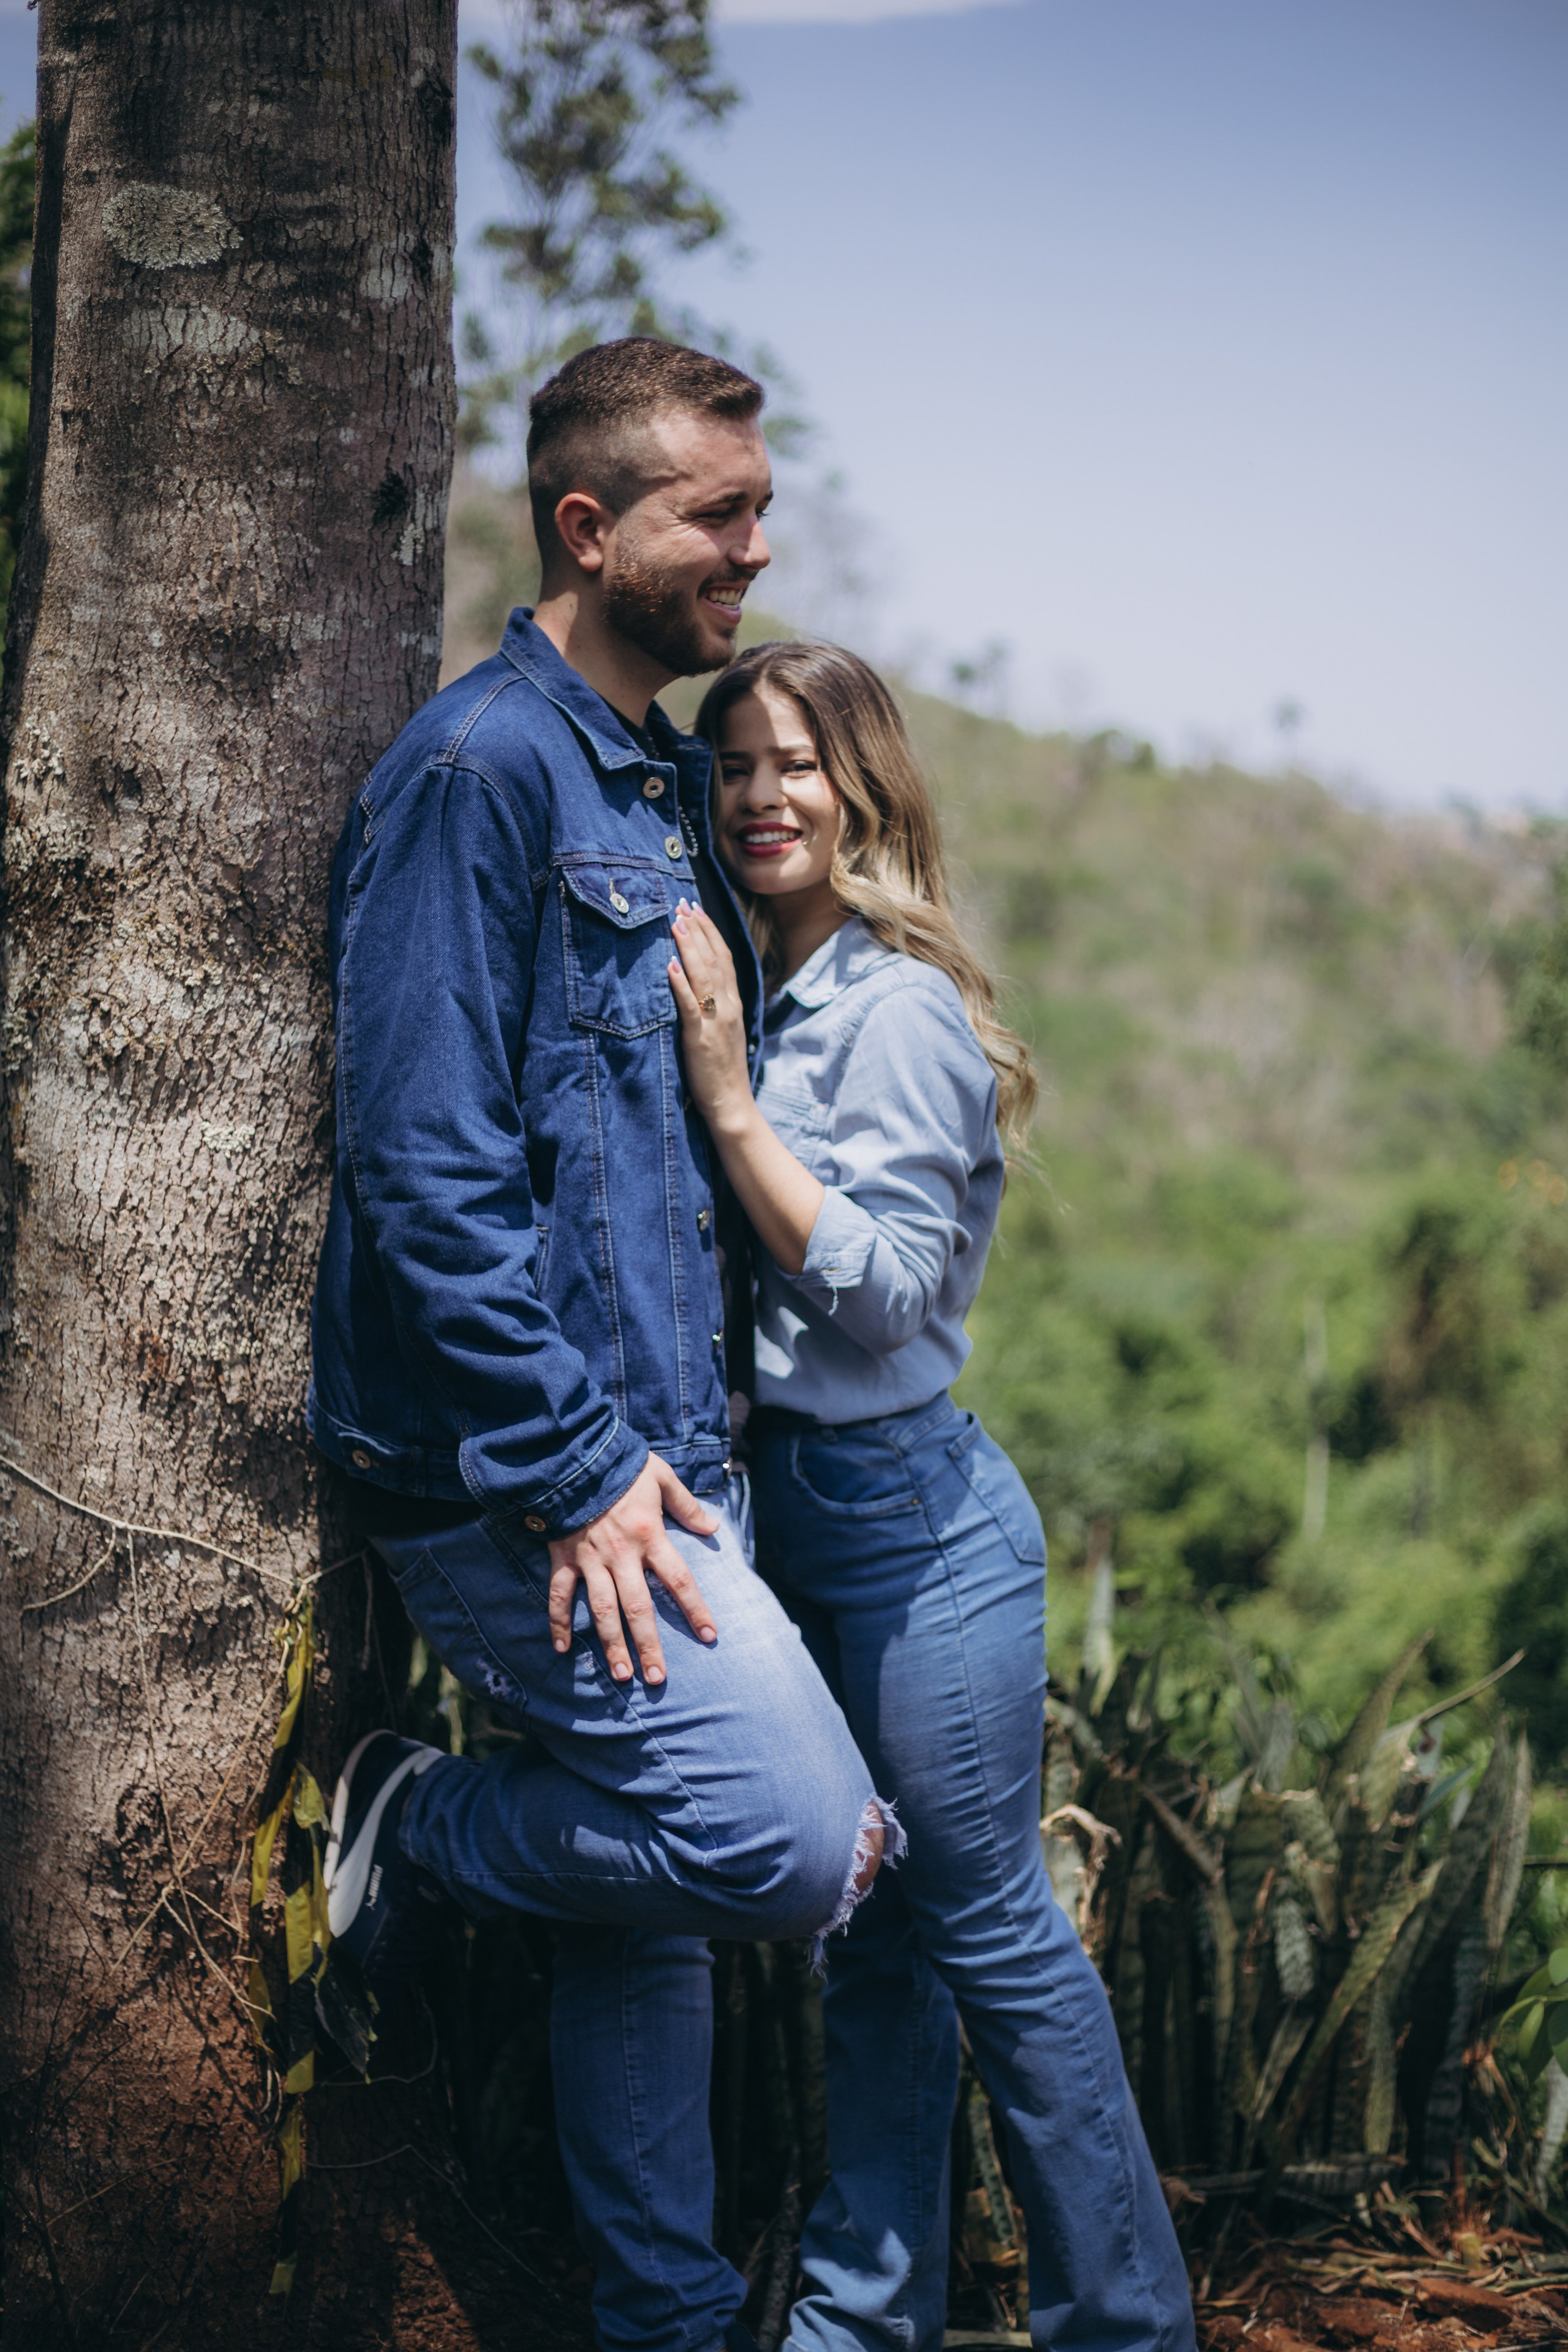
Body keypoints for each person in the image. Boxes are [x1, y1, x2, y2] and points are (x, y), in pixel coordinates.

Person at [306, 342, 896, 2352]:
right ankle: (426, 1821)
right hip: (523, 1470)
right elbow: (425, 1161)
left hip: (663, 1441)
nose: (758, 543)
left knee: (647, 1931)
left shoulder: (650, 780)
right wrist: (565, 1469)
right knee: (790, 1841)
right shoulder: (478, 775)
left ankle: (655, 2326)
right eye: (718, 513)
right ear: (590, 530)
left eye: (756, 506)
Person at [666, 639, 1196, 2352]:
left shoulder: (886, 1009)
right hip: (792, 1522)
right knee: (871, 1949)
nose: (761, 794)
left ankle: (1125, 2326)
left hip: (913, 1536)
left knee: (990, 1938)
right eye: (735, 763)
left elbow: (885, 1289)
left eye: (796, 764)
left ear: (865, 789)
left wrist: (735, 1111)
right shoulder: (771, 972)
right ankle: (858, 2321)